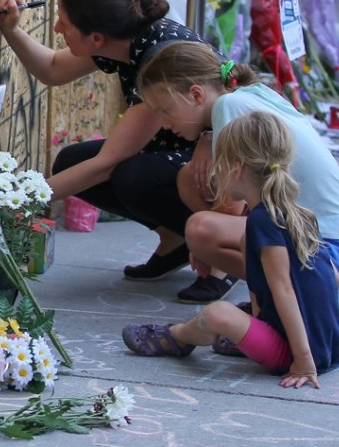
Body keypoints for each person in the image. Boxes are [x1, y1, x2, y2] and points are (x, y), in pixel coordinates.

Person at [0, 0, 208, 281]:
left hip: (218, 165)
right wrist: (11, 30)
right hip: (178, 148)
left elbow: (106, 165)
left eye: (64, 23)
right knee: (72, 161)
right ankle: (176, 236)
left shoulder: (159, 63)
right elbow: (53, 69)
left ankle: (217, 255)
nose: (56, 28)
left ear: (96, 38)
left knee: (129, 175)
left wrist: (9, 202)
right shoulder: (121, 37)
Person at [121, 111, 339, 388]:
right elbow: (328, 275)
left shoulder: (263, 220)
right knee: (247, 251)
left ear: (236, 171)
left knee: (218, 313)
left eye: (218, 166)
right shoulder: (298, 213)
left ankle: (177, 337)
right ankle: (253, 334)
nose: (215, 174)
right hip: (329, 345)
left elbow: (283, 289)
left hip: (297, 355)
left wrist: (304, 359)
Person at [137, 41, 339, 304]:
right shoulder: (250, 94)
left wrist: (202, 252)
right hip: (320, 231)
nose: (164, 123)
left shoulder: (227, 107)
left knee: (200, 231)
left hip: (324, 243)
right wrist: (208, 138)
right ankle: (279, 296)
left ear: (197, 95)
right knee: (190, 177)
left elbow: (231, 207)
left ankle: (292, 296)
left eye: (165, 110)